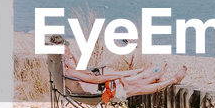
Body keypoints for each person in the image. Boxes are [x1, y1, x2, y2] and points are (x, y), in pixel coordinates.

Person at [49, 35, 187, 98]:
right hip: (98, 93)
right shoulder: (68, 70)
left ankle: (153, 76)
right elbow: (96, 80)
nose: (69, 56)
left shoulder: (62, 68)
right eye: (66, 55)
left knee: (132, 83)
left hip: (96, 89)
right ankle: (172, 80)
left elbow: (85, 73)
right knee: (135, 86)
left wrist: (71, 56)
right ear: (61, 56)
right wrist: (121, 75)